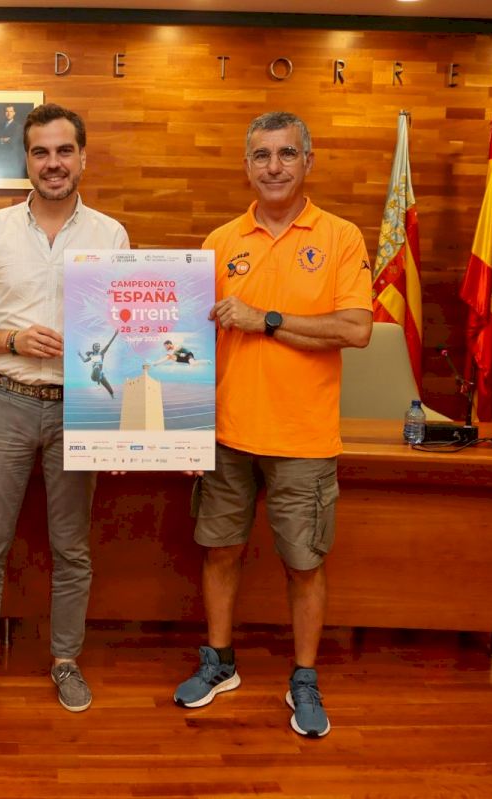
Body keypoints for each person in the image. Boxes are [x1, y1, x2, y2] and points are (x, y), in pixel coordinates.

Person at [172, 111, 372, 738]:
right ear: (247, 166)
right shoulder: (219, 241)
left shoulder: (340, 237)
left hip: (303, 438)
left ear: (308, 161)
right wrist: (181, 430)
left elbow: (356, 329)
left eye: (287, 154)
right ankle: (220, 662)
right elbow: (189, 346)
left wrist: (268, 320)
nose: (274, 166)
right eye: (262, 155)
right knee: (220, 552)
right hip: (227, 434)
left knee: (303, 563)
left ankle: (304, 677)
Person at [0, 103, 130, 713]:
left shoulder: (110, 235)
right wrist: (14, 339)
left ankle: (65, 661)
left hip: (81, 407)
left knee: (72, 548)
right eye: (41, 152)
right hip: (7, 402)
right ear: (26, 160)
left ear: (83, 157)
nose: (53, 163)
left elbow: (123, 334)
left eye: (64, 151)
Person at [79, 329, 119, 397]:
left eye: (98, 346)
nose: (98, 347)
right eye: (96, 346)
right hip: (93, 376)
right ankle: (98, 383)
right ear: (93, 348)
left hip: (100, 375)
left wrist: (115, 334)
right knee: (96, 367)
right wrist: (80, 355)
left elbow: (109, 344)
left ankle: (112, 396)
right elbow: (84, 361)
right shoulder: (91, 356)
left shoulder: (101, 353)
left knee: (108, 386)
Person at [0, 104, 23, 178]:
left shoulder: (18, 127)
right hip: (0, 159)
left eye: (11, 111)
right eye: (7, 111)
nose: (9, 113)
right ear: (4, 113)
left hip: (11, 159)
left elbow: (12, 142)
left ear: (14, 113)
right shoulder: (0, 126)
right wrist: (4, 139)